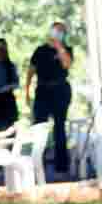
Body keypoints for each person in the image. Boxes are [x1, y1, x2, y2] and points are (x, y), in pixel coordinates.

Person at [25, 22, 74, 179]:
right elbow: (31, 70)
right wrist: (26, 90)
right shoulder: (40, 50)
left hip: (60, 90)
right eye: (56, 29)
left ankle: (61, 168)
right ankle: (37, 166)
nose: (58, 32)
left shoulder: (67, 49)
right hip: (42, 91)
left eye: (61, 31)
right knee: (39, 127)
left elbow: (67, 64)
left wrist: (59, 47)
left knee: (59, 128)